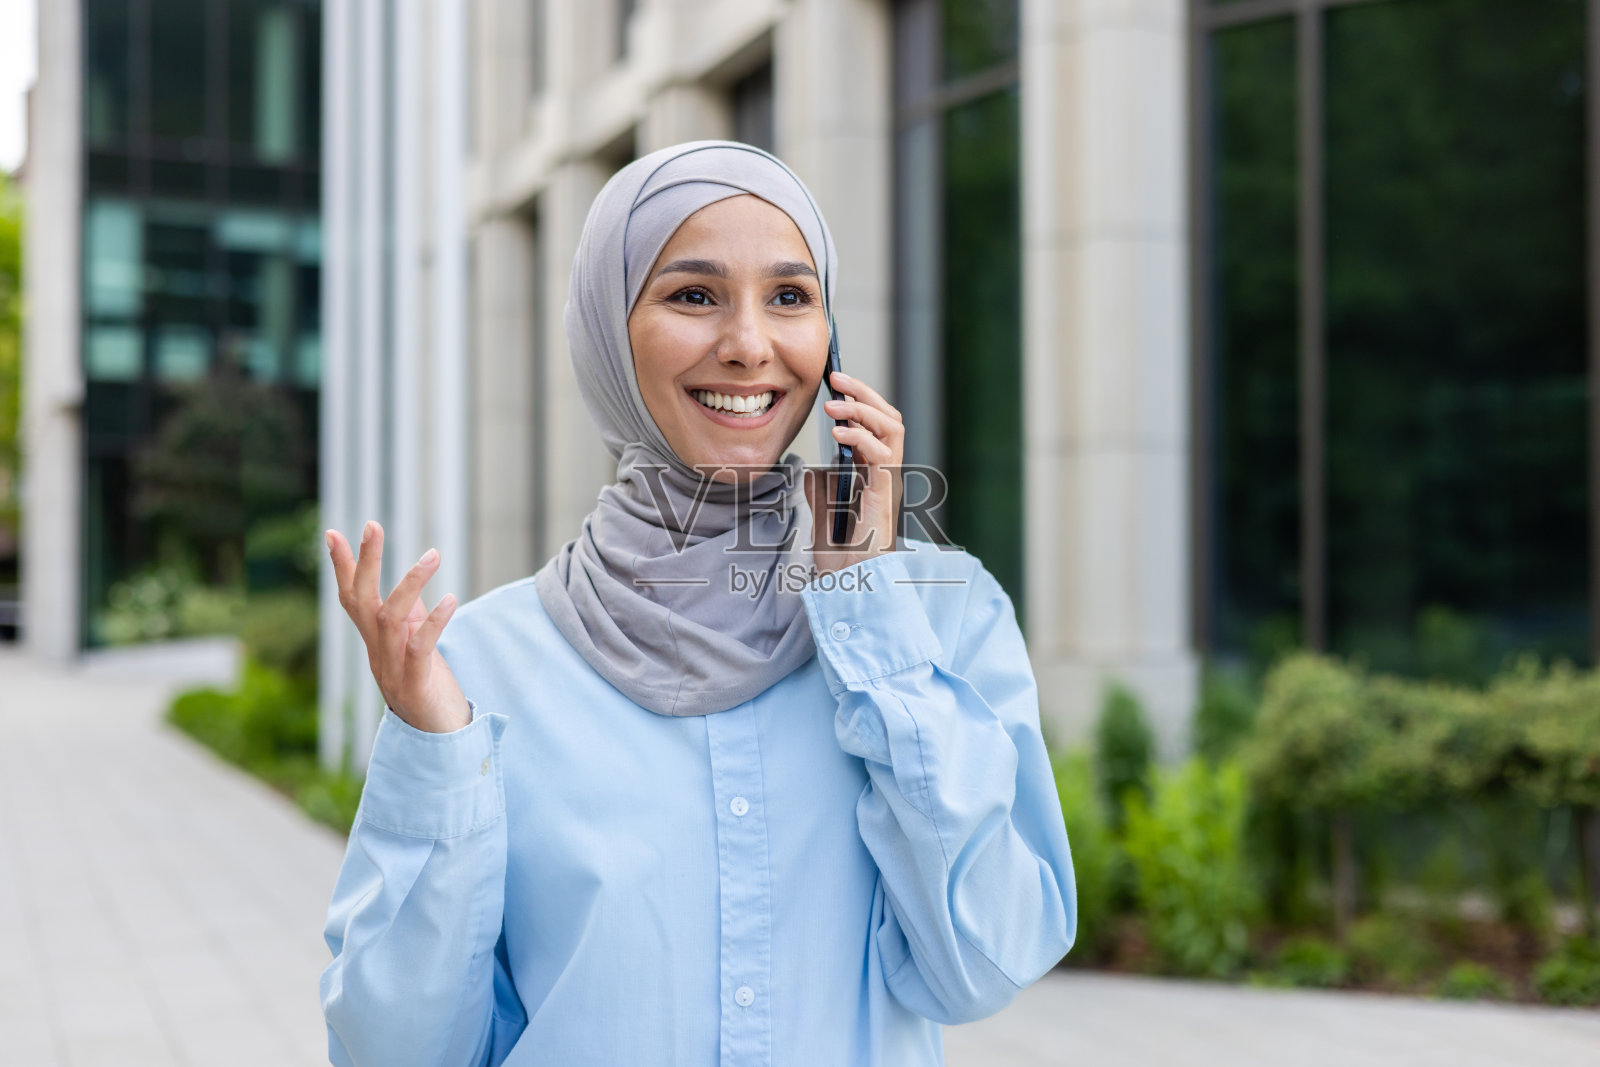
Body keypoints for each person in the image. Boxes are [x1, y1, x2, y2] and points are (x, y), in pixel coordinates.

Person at [318, 140, 1076, 1066]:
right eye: (694, 294)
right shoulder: (479, 666)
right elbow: (398, 1052)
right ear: (607, 327)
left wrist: (870, 613)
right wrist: (439, 757)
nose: (750, 344)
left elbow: (985, 964)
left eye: (790, 297)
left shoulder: (946, 618)